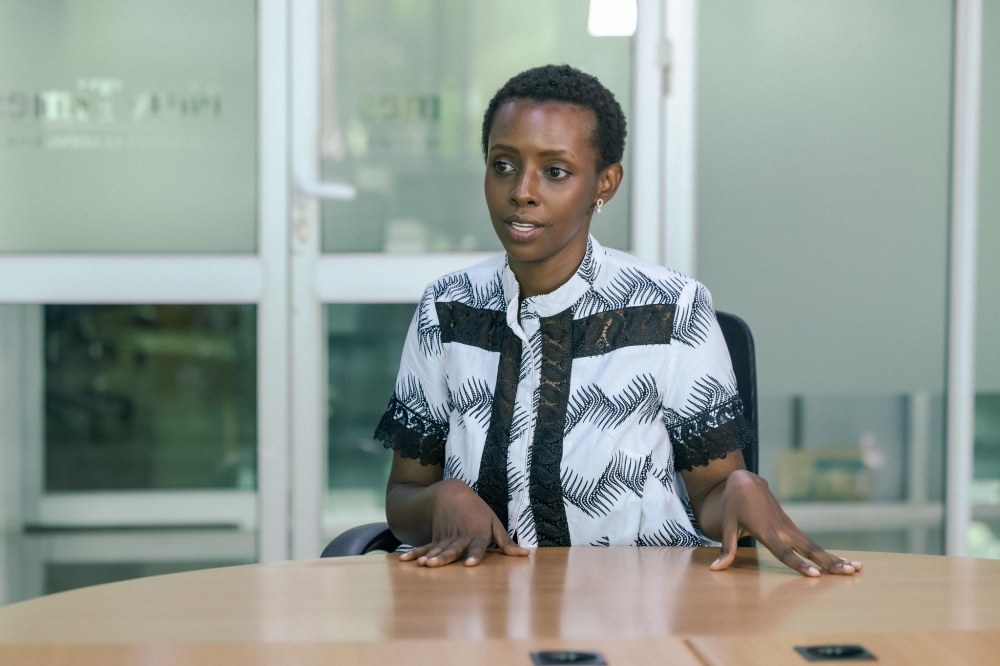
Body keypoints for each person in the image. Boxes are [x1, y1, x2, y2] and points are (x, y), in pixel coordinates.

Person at [374, 64, 862, 577]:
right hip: (478, 608)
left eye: (556, 171)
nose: (523, 190)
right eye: (503, 165)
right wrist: (441, 500)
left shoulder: (672, 308)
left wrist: (738, 488)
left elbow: (713, 495)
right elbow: (404, 498)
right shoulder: (447, 309)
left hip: (641, 603)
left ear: (604, 183)